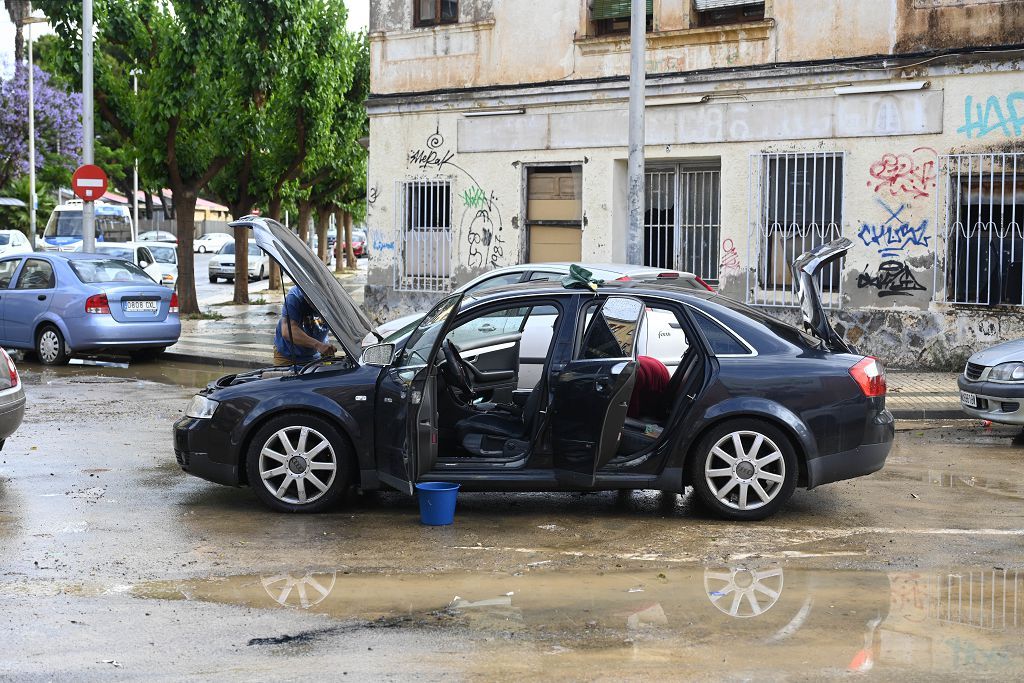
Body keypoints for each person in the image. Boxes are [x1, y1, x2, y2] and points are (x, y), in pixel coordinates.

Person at [273, 285, 337, 367]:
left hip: (316, 354)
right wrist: (318, 345)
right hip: (288, 355)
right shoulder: (294, 296)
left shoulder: (333, 299)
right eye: (310, 300)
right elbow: (288, 331)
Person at [627, 355, 670, 420]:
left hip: (660, 389)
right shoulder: (630, 363)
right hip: (659, 372)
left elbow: (632, 412)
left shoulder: (631, 376)